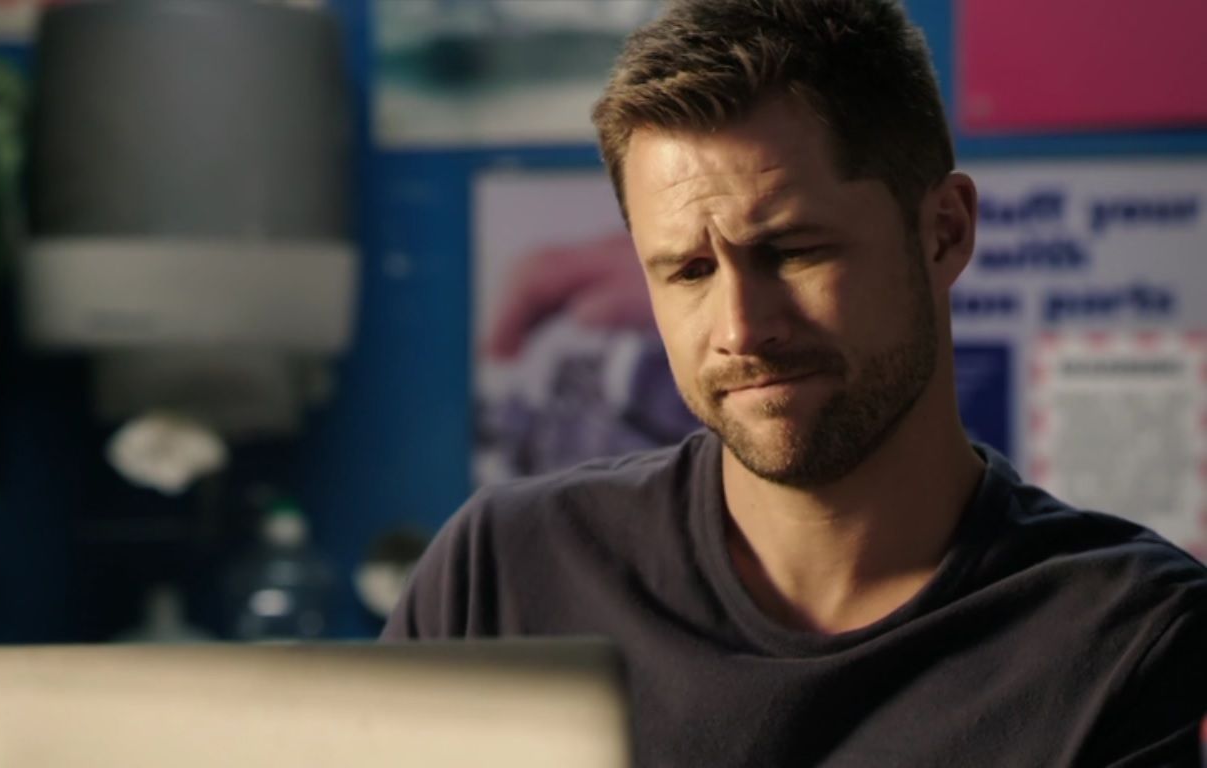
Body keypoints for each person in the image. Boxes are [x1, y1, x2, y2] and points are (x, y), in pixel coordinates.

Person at [383, 1, 1207, 765]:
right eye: (690, 270)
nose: (742, 329)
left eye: (792, 251)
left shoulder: (1127, 636)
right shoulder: (506, 577)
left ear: (944, 232)